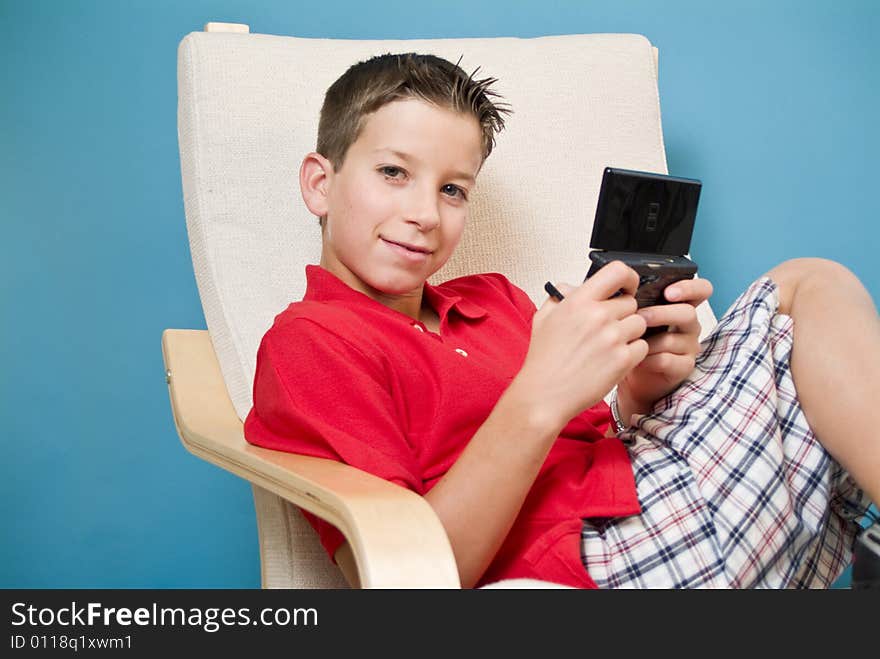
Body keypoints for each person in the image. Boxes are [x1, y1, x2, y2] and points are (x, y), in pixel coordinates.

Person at [243, 52, 879, 588]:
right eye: (393, 173)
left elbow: (602, 437)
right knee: (804, 288)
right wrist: (538, 396)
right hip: (601, 548)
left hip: (650, 485)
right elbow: (406, 576)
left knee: (800, 303)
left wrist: (644, 382)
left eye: (453, 189)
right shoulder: (311, 343)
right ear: (319, 184)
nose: (425, 214)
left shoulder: (495, 300)